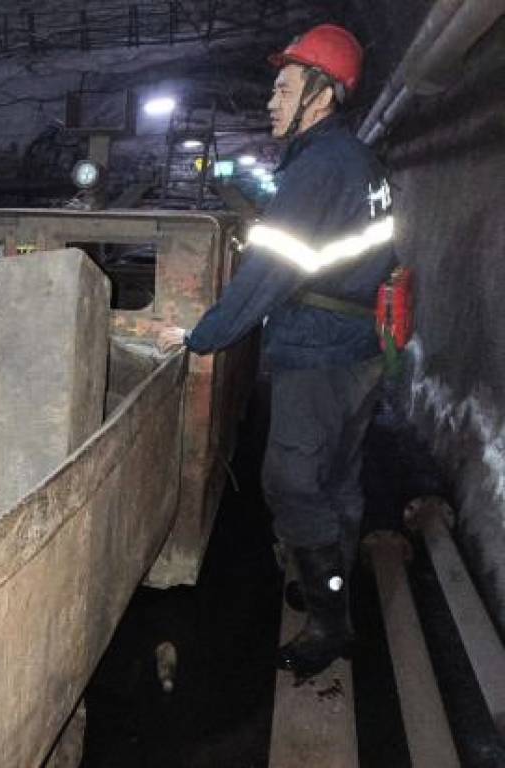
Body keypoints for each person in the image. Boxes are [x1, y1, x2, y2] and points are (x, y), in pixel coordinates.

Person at [160, 24, 396, 679]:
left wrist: (201, 336)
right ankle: (332, 587)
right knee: (337, 479)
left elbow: (267, 274)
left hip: (318, 353)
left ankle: (330, 625)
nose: (271, 101)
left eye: (284, 88)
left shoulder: (319, 169)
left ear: (320, 95)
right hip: (360, 347)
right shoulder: (357, 161)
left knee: (292, 484)